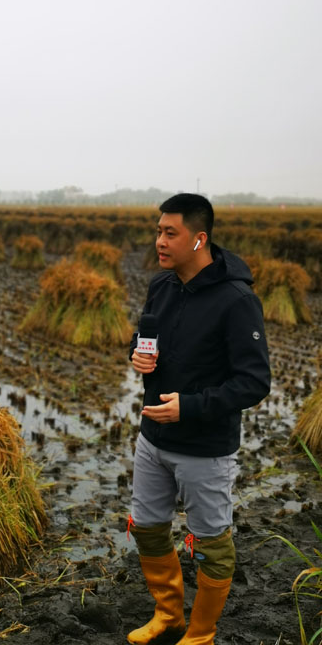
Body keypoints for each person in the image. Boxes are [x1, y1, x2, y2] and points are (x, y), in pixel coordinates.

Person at [126, 194, 270, 645]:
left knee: (211, 545)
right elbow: (145, 335)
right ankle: (168, 614)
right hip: (152, 437)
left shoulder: (236, 300)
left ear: (199, 238)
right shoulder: (161, 286)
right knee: (147, 528)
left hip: (205, 449)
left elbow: (254, 382)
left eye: (171, 232)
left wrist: (189, 406)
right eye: (158, 230)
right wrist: (137, 354)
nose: (160, 241)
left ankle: (201, 634)